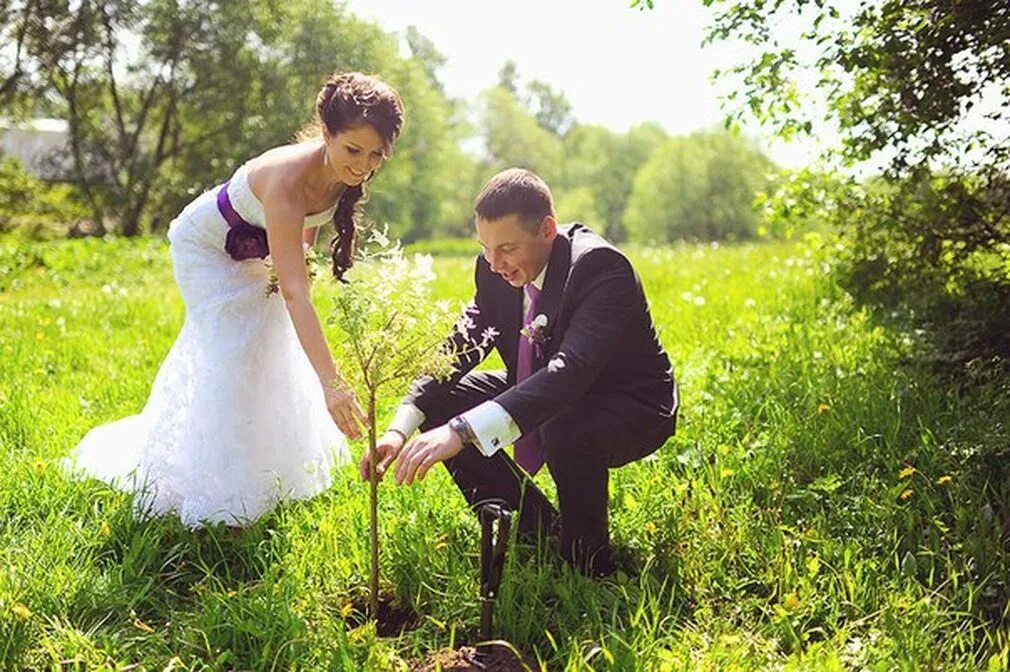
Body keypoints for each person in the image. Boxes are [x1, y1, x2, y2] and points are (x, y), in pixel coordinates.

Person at [67, 72, 404, 527]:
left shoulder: (342, 173)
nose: (363, 165)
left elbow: (301, 241)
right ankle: (217, 494)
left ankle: (265, 472)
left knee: (268, 342)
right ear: (326, 133)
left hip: (259, 246)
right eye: (353, 150)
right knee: (232, 352)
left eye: (376, 155)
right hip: (205, 248)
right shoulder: (286, 180)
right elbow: (295, 289)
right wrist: (332, 383)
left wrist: (289, 262)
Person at [361, 168, 679, 576]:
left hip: (629, 403)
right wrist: (399, 428)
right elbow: (460, 345)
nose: (494, 264)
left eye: (507, 248)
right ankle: (536, 530)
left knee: (565, 424)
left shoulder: (601, 268)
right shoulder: (493, 269)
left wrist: (461, 432)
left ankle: (587, 562)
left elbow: (569, 375)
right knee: (450, 398)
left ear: (547, 229)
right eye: (485, 248)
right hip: (546, 388)